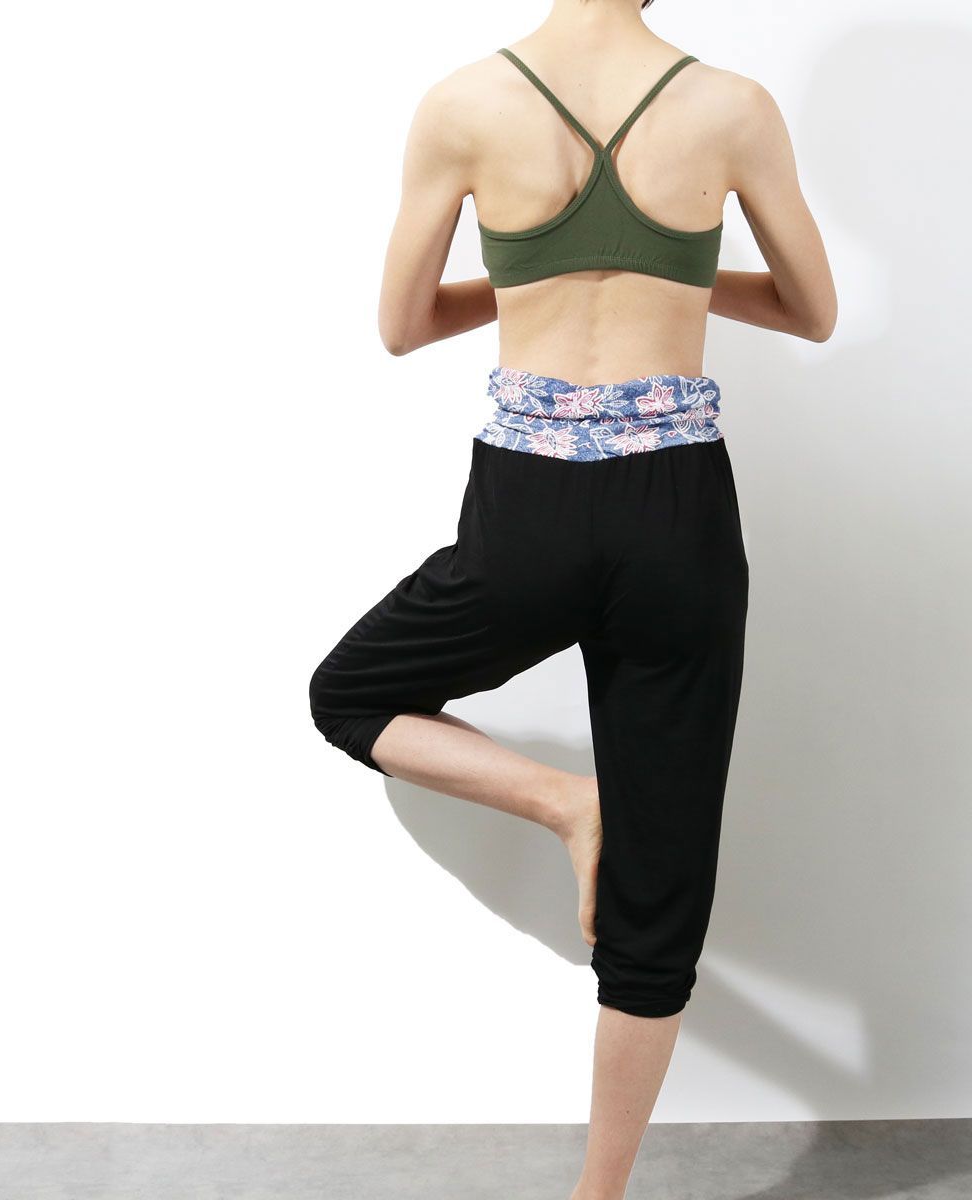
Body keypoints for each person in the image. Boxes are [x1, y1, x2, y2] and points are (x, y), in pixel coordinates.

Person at [308, 1, 837, 1196]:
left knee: (351, 695)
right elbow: (812, 310)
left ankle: (563, 802)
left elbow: (400, 326)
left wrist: (529, 272)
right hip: (678, 512)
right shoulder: (731, 107)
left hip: (526, 511)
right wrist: (675, 270)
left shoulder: (463, 102)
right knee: (661, 894)